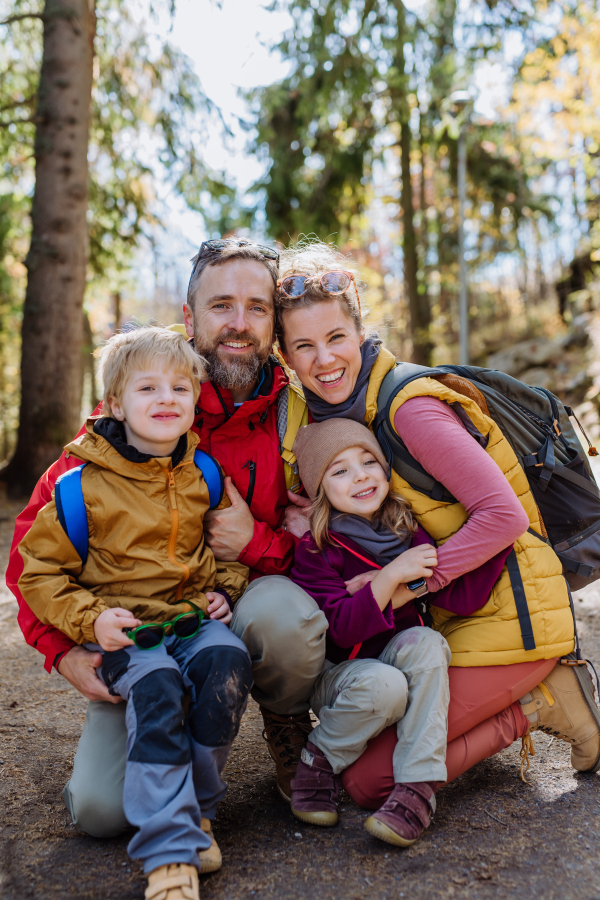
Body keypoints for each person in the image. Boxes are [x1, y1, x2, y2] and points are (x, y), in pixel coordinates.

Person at [6, 239, 326, 839]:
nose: (238, 323)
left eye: (257, 307)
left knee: (288, 618)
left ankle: (285, 723)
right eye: (221, 305)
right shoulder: (144, 400)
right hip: (149, 626)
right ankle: (166, 711)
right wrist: (62, 649)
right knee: (105, 813)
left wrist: (253, 544)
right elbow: (32, 552)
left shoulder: (301, 414)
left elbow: (332, 548)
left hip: (237, 607)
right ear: (190, 318)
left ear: (274, 324)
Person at [276, 240, 600, 805]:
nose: (324, 360)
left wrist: (411, 581)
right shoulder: (352, 414)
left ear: (359, 331)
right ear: (286, 357)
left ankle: (544, 700)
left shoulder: (408, 407)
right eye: (303, 347)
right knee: (366, 735)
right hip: (449, 625)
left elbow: (503, 517)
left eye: (335, 338)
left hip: (512, 622)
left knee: (368, 779)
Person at [18, 327, 253, 900]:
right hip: (128, 635)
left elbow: (223, 554)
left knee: (228, 661)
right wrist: (89, 621)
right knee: (160, 690)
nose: (166, 399)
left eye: (179, 387)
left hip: (193, 624)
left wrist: (225, 587)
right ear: (116, 404)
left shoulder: (205, 475)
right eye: (147, 388)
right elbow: (37, 574)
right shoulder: (80, 487)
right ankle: (170, 852)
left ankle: (197, 812)